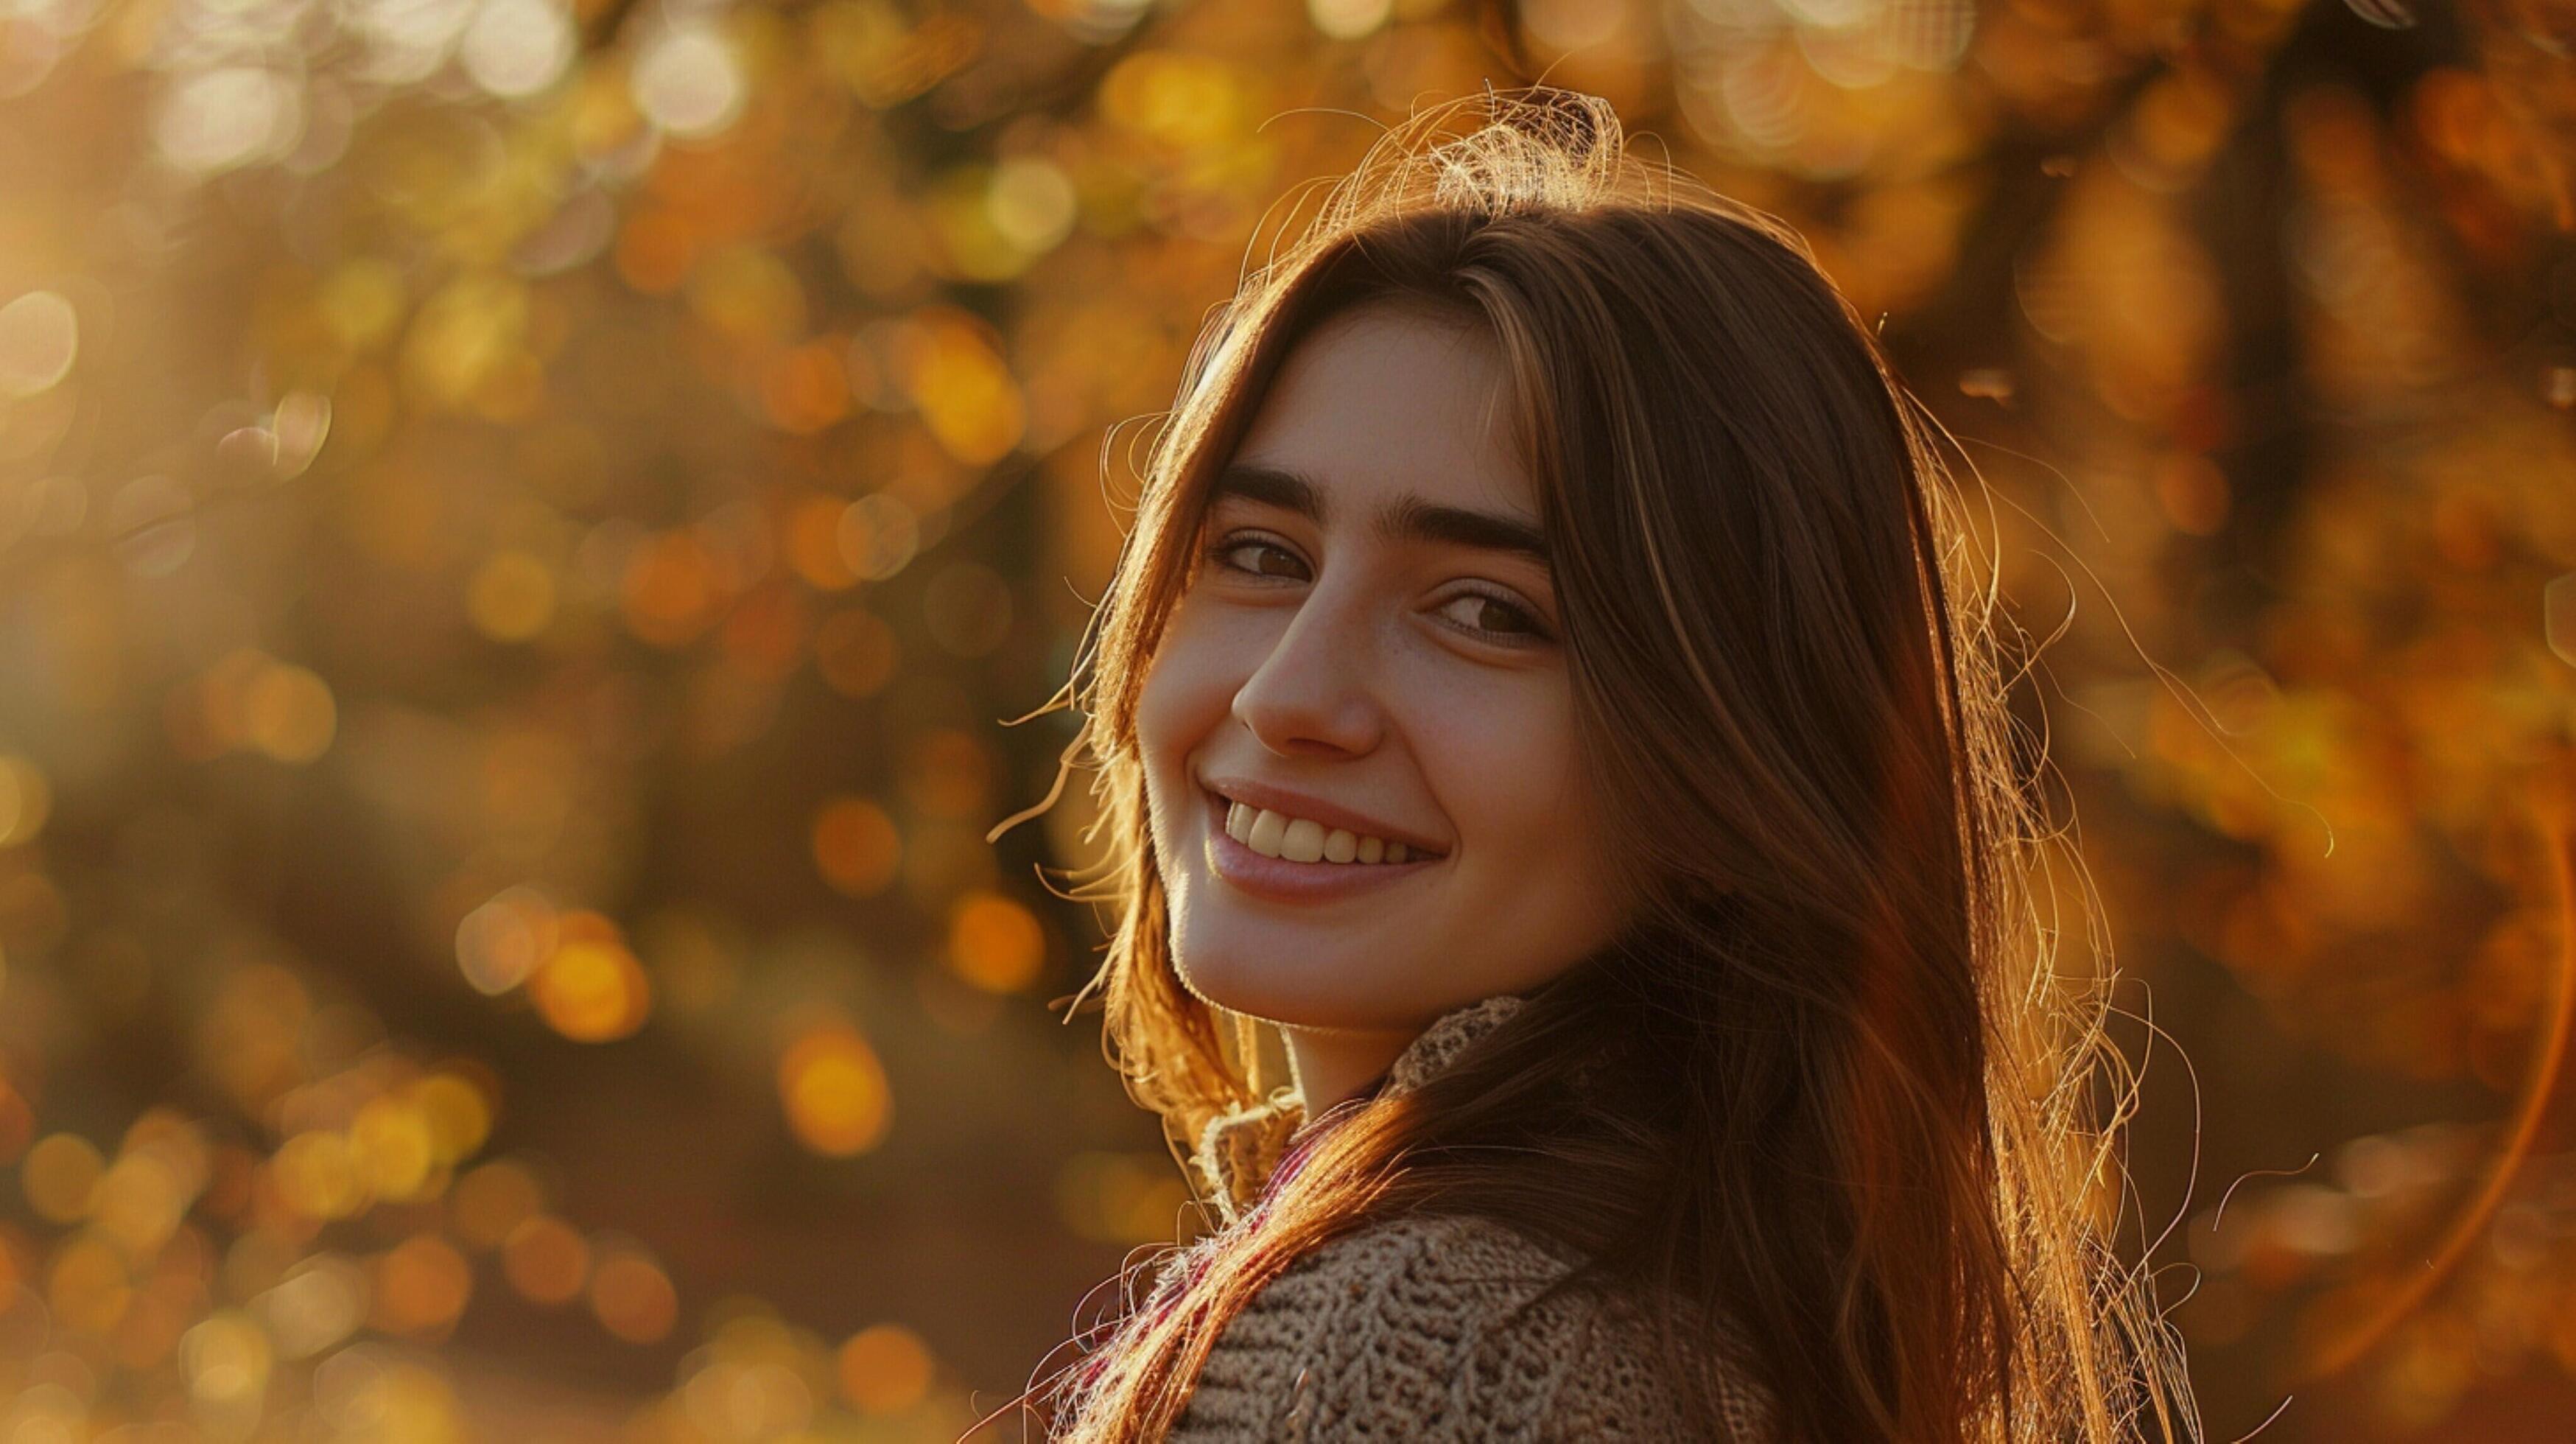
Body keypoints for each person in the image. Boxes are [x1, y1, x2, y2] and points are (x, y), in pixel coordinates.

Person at [983, 85, 2204, 1443]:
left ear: (1727, 750)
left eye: (1488, 612)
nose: (1287, 697)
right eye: (1261, 557)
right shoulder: (1695, 1306)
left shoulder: (1431, 1352)